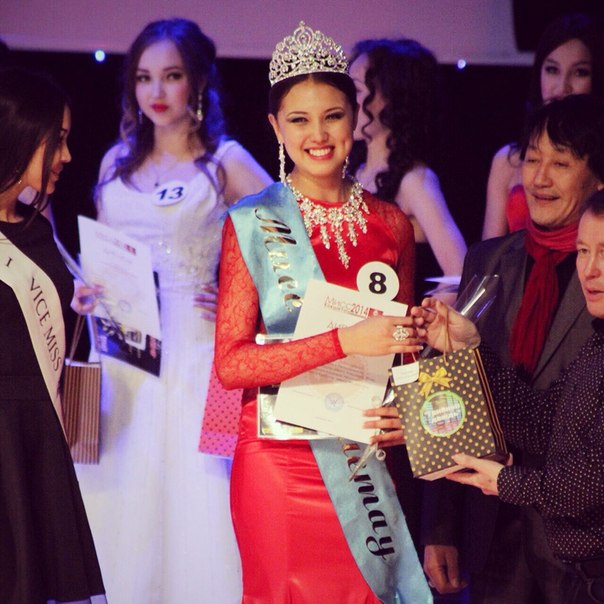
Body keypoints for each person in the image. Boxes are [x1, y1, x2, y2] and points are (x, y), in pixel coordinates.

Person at [214, 21, 431, 603]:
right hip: (277, 461)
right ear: (274, 127)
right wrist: (344, 341)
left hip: (363, 460)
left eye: (332, 115)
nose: (317, 135)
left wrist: (406, 414)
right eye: (298, 120)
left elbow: (403, 355)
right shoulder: (251, 221)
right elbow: (232, 365)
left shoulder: (391, 224)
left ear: (356, 117)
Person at [73, 19, 271, 604]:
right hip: (122, 345)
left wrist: (242, 296)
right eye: (143, 78)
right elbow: (103, 253)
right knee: (122, 476)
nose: (155, 91)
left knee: (193, 481)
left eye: (171, 76)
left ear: (199, 82)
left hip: (196, 344)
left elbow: (293, 245)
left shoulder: (224, 162)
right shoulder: (115, 163)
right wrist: (87, 289)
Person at [422, 93, 604, 603]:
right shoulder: (488, 262)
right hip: (492, 527)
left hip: (582, 541)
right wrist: (441, 524)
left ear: (597, 178)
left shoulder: (595, 294)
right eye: (531, 159)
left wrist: (509, 481)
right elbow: (536, 417)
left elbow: (587, 468)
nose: (540, 178)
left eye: (561, 163)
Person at [0, 67, 105, 603]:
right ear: (20, 134)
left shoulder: (38, 227)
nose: (66, 156)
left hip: (38, 440)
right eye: (56, 140)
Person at [349, 38, 466, 298]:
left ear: (392, 98)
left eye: (356, 90)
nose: (345, 100)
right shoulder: (354, 172)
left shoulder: (414, 181)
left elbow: (459, 274)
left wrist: (419, 317)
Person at [482, 12, 604, 240]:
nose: (562, 87)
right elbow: (489, 251)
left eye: (580, 72)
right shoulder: (507, 160)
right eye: (552, 70)